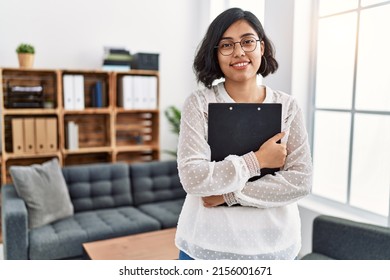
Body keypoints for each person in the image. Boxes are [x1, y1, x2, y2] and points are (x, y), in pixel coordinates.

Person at [175, 7, 312, 260]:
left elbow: (300, 181)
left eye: (248, 41)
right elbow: (193, 178)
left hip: (272, 246)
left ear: (262, 47)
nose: (239, 52)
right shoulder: (199, 104)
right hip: (205, 245)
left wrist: (227, 195)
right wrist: (257, 161)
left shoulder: (288, 106)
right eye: (226, 45)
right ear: (215, 55)